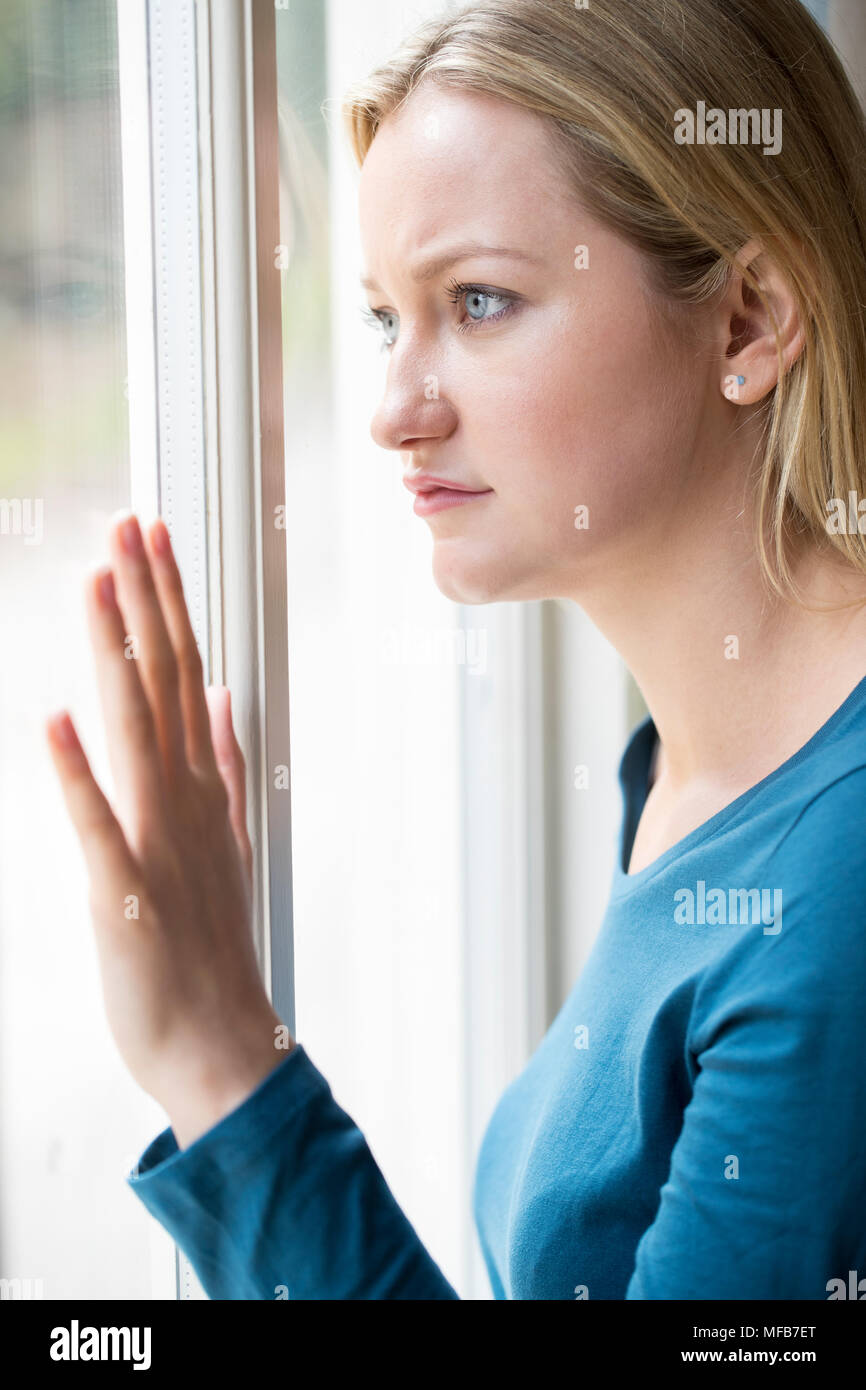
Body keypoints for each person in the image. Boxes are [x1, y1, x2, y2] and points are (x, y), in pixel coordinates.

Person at [45, 0, 866, 1299]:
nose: (390, 411)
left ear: (746, 321)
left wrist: (222, 1067)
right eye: (384, 318)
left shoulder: (831, 888)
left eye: (477, 301)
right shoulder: (685, 771)